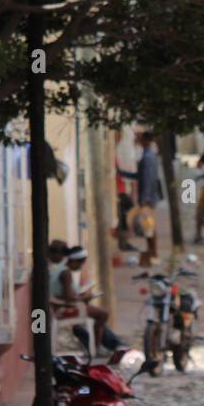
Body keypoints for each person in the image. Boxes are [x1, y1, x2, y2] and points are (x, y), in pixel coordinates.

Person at [52, 246, 123, 350]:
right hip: (64, 309)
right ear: (75, 261)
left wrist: (81, 296)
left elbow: (66, 294)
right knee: (103, 314)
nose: (80, 267)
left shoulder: (58, 269)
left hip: (60, 305)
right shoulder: (65, 273)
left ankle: (111, 342)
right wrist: (85, 298)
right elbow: (69, 298)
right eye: (80, 264)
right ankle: (97, 346)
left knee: (97, 314)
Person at [120, 131, 161, 266]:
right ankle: (152, 252)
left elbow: (148, 178)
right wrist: (123, 173)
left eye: (139, 137)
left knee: (148, 226)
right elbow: (140, 176)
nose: (136, 139)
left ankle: (153, 252)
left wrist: (145, 199)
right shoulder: (148, 154)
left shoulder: (148, 156)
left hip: (147, 198)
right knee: (148, 225)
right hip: (148, 196)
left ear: (145, 140)